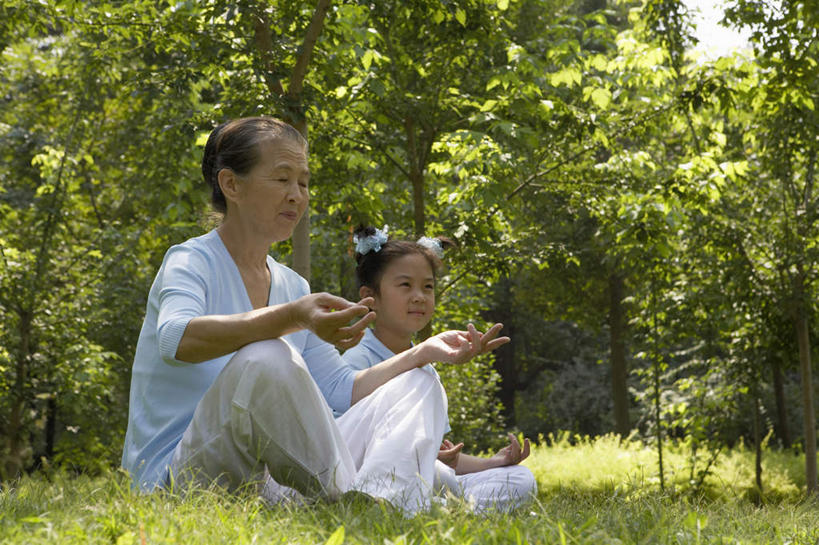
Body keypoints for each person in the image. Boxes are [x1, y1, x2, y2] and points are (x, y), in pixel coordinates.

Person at [120, 116, 510, 514]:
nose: (297, 195)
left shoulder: (292, 285)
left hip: (265, 482)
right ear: (231, 184)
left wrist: (422, 352)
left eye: (303, 183)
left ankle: (385, 504)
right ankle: (356, 500)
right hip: (178, 478)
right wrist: (294, 317)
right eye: (282, 179)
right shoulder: (190, 261)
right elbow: (176, 339)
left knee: (418, 380)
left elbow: (341, 389)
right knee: (267, 355)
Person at [340, 225, 537, 513]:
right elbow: (344, 441)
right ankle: (417, 504)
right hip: (364, 475)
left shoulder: (427, 371)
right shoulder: (357, 363)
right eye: (405, 285)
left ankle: (447, 511)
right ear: (370, 297)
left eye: (428, 286)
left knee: (520, 479)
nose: (419, 296)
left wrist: (492, 462)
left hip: (427, 476)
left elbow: (444, 459)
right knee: (436, 475)